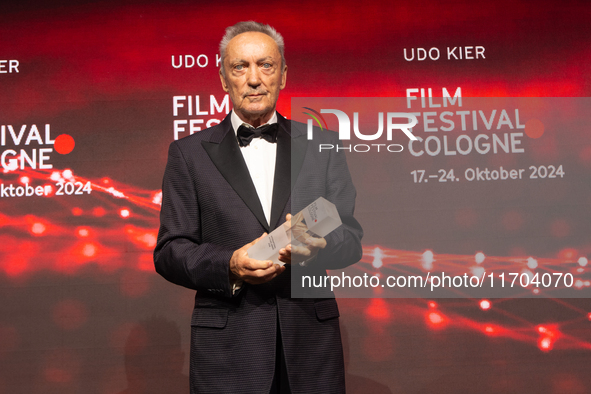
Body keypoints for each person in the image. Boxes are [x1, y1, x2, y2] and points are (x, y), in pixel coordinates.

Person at [154, 21, 363, 394]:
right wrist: (229, 264)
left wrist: (322, 246)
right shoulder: (188, 155)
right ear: (223, 78)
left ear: (283, 75)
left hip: (310, 349)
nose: (254, 79)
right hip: (229, 350)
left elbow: (350, 238)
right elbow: (171, 251)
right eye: (240, 67)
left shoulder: (323, 145)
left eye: (266, 65)